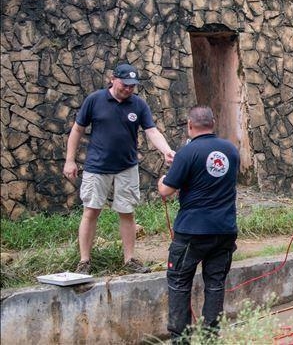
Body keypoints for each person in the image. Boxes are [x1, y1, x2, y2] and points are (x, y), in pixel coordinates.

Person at [63, 63, 175, 275]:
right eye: (125, 84)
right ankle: (84, 261)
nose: (128, 89)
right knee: (91, 211)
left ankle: (129, 259)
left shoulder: (138, 104)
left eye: (132, 86)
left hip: (127, 167)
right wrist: (70, 160)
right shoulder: (95, 100)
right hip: (97, 167)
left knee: (127, 212)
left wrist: (166, 151)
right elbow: (77, 130)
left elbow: (152, 131)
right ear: (113, 79)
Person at [157, 105, 239, 341]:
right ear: (213, 123)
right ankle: (210, 338)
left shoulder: (187, 153)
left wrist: (163, 179)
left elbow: (166, 190)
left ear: (189, 125)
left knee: (179, 282)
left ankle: (180, 339)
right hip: (224, 230)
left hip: (192, 231)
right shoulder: (231, 150)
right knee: (215, 284)